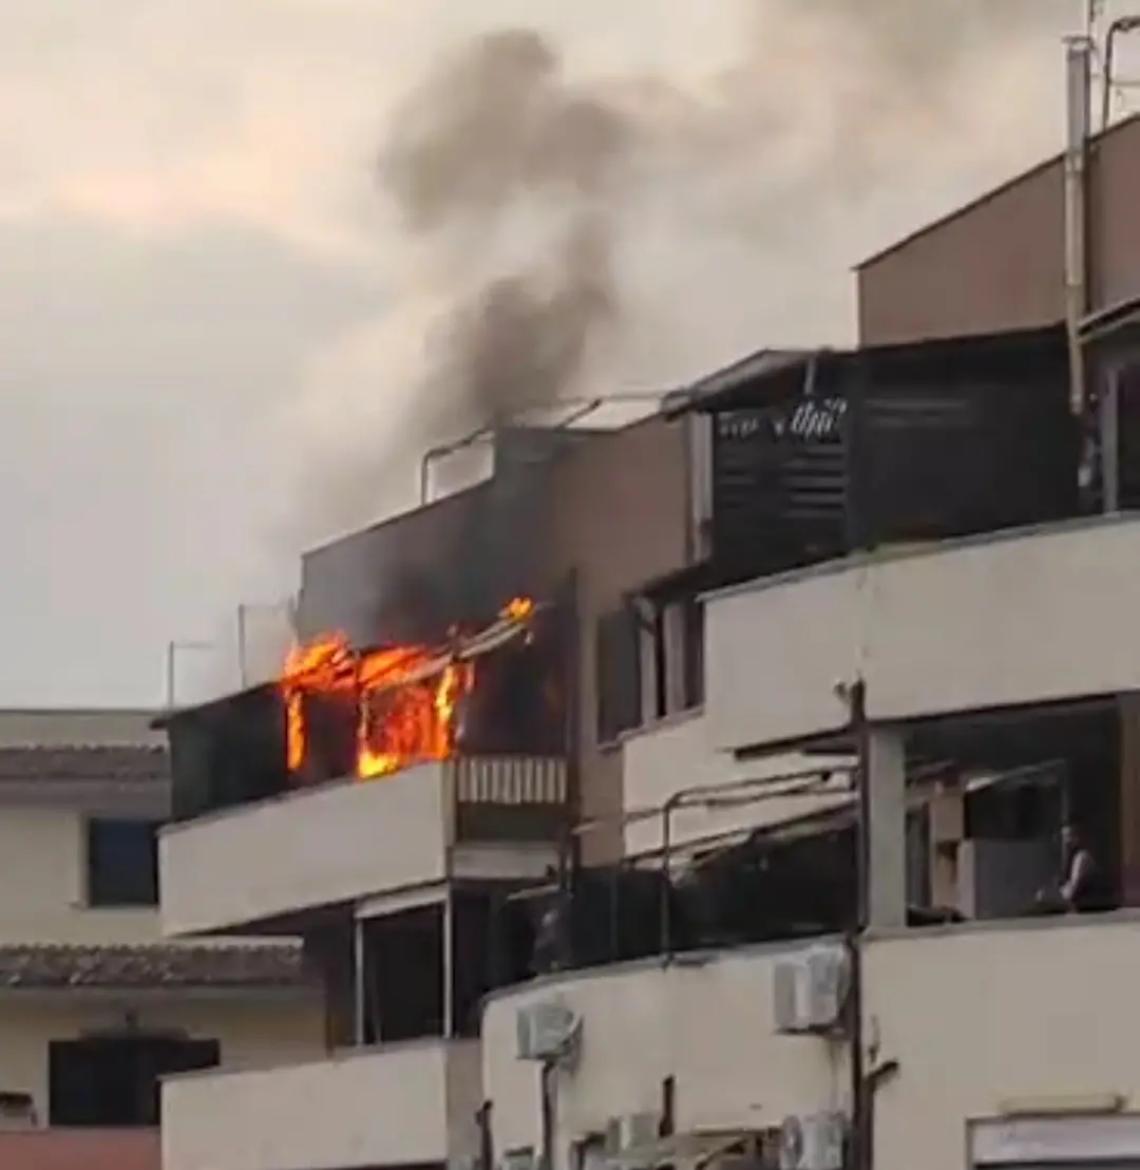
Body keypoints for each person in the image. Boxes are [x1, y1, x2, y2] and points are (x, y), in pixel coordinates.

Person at [1038, 822, 1111, 913]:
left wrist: (1058, 892)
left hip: (1084, 904)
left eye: (1069, 836)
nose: (1066, 841)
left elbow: (1073, 889)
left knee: (1042, 897)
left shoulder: (1081, 857)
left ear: (1077, 838)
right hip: (1073, 899)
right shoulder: (1067, 857)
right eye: (1063, 837)